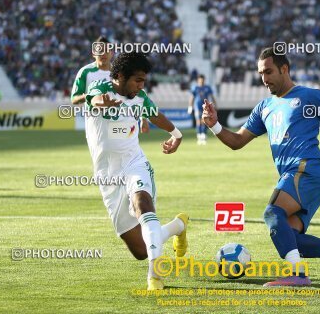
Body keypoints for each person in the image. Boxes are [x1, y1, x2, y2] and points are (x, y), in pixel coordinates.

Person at [202, 47, 320, 287]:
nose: (264, 79)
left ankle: (298, 275)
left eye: (269, 72)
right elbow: (237, 141)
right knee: (291, 238)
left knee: (273, 213)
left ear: (285, 69)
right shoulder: (264, 108)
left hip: (307, 169)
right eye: (261, 73)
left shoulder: (308, 97)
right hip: (296, 175)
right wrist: (215, 126)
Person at [85, 52, 189, 290]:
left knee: (143, 205)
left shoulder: (139, 97)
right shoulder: (100, 86)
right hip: (108, 177)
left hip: (134, 164)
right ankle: (178, 226)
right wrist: (103, 103)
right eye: (137, 80)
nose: (141, 86)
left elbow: (155, 115)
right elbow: (94, 100)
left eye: (144, 81)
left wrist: (177, 135)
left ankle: (155, 275)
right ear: (120, 76)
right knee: (140, 250)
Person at [71, 35, 149, 132]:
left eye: (107, 50)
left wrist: (143, 118)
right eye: (100, 51)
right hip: (96, 122)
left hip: (120, 118)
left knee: (124, 144)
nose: (103, 53)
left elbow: (135, 94)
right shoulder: (85, 72)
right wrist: (91, 97)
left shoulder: (120, 73)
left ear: (111, 53)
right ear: (93, 54)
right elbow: (74, 99)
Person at [188, 74, 216, 145]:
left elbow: (212, 96)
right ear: (198, 80)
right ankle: (199, 135)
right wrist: (190, 106)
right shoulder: (195, 88)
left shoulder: (207, 87)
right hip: (197, 106)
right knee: (198, 121)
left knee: (204, 121)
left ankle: (203, 135)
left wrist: (215, 104)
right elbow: (192, 97)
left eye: (203, 79)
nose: (202, 81)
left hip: (205, 107)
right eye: (200, 79)